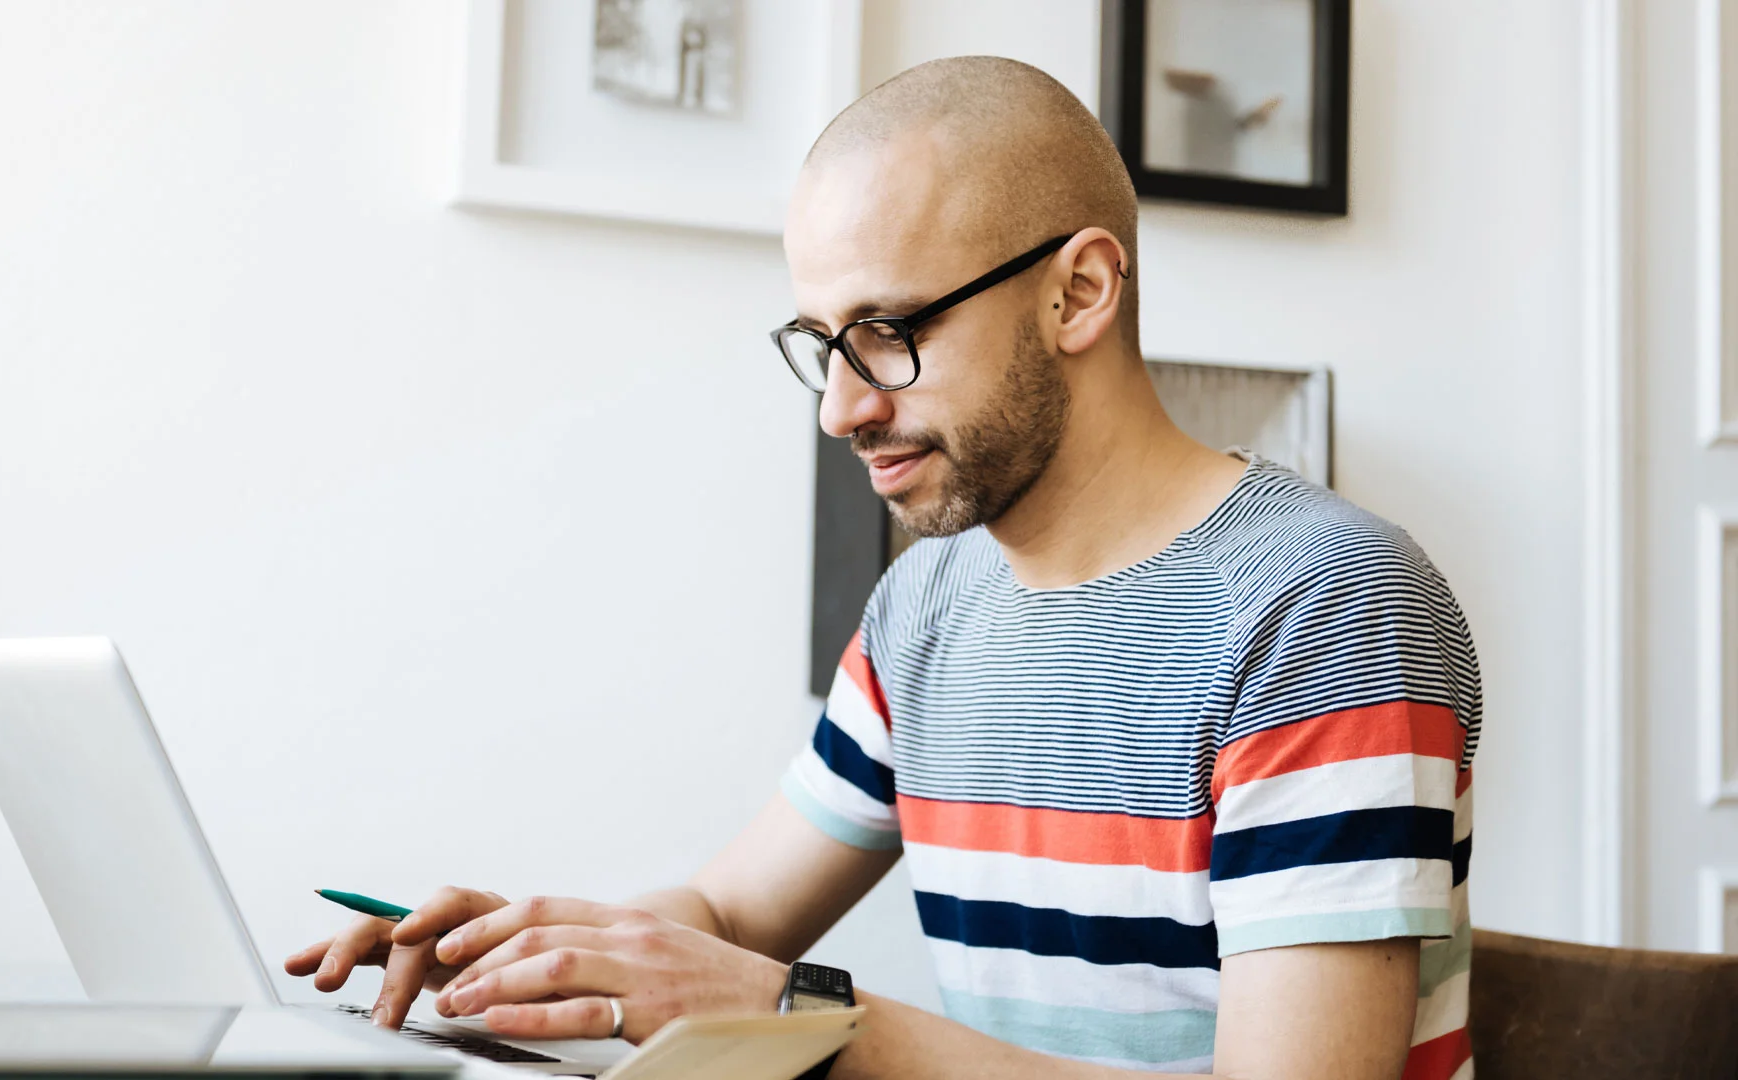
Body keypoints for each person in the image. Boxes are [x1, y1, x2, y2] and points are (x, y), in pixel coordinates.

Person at [284, 57, 1481, 1080]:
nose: (842, 408)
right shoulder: (928, 605)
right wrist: (531, 951)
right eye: (822, 347)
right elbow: (732, 915)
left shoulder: (1323, 605)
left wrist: (791, 1022)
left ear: (1080, 291)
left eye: (888, 335)